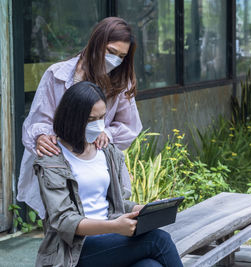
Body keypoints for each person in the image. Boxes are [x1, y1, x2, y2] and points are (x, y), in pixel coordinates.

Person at [34, 81, 183, 267]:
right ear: (71, 118)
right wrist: (115, 227)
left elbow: (112, 204)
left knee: (150, 266)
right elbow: (64, 221)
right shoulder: (52, 159)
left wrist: (140, 209)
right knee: (157, 240)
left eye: (101, 118)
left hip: (110, 240)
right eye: (90, 119)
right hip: (75, 251)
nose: (98, 125)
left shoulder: (105, 151)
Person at [17, 17, 143, 219]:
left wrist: (107, 134)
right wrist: (41, 136)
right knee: (62, 220)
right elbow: (38, 120)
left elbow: (129, 125)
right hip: (60, 163)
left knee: (103, 213)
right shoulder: (57, 74)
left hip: (95, 162)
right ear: (97, 43)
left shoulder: (120, 80)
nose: (115, 60)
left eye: (121, 56)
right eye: (111, 52)